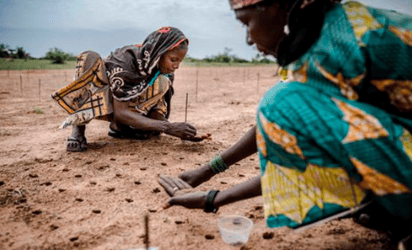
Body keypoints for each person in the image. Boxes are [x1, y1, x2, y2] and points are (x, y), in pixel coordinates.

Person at [158, 0, 412, 248]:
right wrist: (208, 171)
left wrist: (214, 199)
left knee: (280, 101)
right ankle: (384, 204)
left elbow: (299, 151)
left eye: (246, 23)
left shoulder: (332, 48)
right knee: (281, 99)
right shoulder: (321, 34)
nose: (248, 38)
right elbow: (282, 123)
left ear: (274, 7)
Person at [52, 27, 209, 152]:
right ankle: (78, 130)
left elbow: (156, 110)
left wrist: (179, 131)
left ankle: (122, 128)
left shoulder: (163, 71)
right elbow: (121, 112)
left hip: (127, 107)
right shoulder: (127, 62)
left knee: (163, 81)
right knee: (89, 58)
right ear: (158, 53)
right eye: (173, 60)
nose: (176, 66)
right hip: (103, 98)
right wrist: (169, 128)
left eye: (180, 61)